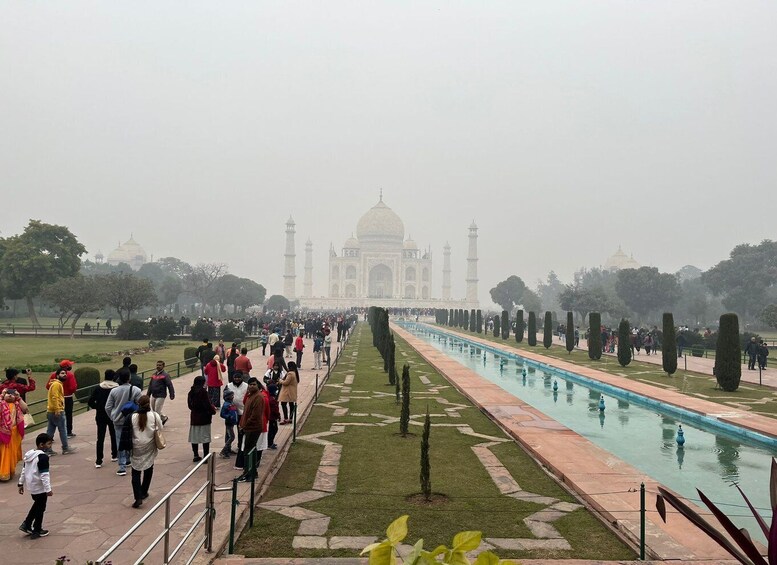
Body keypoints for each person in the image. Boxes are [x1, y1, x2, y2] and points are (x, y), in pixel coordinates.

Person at [105, 370, 141, 476]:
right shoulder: (136, 390)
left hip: (118, 419)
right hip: (131, 419)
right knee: (131, 439)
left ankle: (122, 466)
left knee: (119, 442)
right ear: (129, 378)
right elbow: (140, 404)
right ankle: (129, 459)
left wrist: (112, 416)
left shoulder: (114, 391)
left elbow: (108, 407)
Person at [18, 433, 54, 539]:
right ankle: (37, 530)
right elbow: (44, 475)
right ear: (41, 445)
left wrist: (20, 483)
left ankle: (27, 524)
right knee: (40, 509)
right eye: (48, 444)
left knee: (36, 506)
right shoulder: (43, 457)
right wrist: (48, 489)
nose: (50, 446)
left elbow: (24, 471)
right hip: (40, 488)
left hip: (32, 487)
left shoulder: (29, 455)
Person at [129, 395, 161, 508]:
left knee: (135, 471)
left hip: (136, 445)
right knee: (149, 467)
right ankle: (144, 491)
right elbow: (160, 428)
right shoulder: (154, 416)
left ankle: (138, 496)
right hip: (149, 445)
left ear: (138, 404)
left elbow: (129, 432)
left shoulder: (133, 417)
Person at [87, 370, 119, 468]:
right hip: (112, 414)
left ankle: (99, 460)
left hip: (100, 415)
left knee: (100, 438)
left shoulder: (98, 387)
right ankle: (114, 454)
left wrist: (98, 407)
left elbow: (90, 401)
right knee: (113, 435)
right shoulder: (116, 388)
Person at [238, 377, 266, 481]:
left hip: (253, 428)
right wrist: (241, 424)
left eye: (254, 384)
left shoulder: (258, 397)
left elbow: (255, 416)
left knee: (248, 451)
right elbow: (246, 413)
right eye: (250, 384)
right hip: (248, 427)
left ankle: (249, 473)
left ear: (258, 385)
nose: (251, 386)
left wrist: (244, 425)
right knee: (249, 450)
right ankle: (251, 472)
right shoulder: (250, 396)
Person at [46, 368, 76, 456]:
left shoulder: (55, 384)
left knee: (50, 431)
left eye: (65, 373)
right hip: (57, 411)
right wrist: (58, 409)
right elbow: (55, 397)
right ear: (58, 375)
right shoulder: (57, 385)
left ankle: (47, 449)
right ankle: (65, 448)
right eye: (62, 373)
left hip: (51, 411)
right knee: (63, 429)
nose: (65, 375)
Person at [46, 360, 78, 438]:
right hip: (67, 398)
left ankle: (50, 436)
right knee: (68, 415)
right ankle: (68, 432)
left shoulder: (54, 375)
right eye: (70, 365)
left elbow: (48, 386)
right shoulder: (69, 375)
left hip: (55, 399)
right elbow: (72, 387)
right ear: (67, 367)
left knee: (52, 420)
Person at [0, 389, 27, 481]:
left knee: (11, 453)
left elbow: (25, 409)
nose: (10, 396)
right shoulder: (2, 403)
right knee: (5, 453)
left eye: (12, 394)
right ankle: (4, 474)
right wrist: (1, 396)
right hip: (3, 432)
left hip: (14, 433)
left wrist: (19, 397)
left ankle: (10, 471)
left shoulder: (16, 404)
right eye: (8, 394)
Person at [188, 375, 216, 462]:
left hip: (195, 417)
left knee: (194, 437)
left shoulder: (191, 392)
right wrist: (212, 410)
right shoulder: (203, 392)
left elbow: (189, 405)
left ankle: (196, 455)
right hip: (204, 417)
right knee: (205, 437)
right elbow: (207, 404)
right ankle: (206, 456)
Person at [225, 372, 248, 469]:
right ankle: (227, 449)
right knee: (229, 432)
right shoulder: (229, 386)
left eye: (239, 377)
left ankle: (240, 446)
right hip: (231, 412)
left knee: (241, 431)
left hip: (242, 412)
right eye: (235, 377)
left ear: (242, 378)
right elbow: (225, 397)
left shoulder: (246, 386)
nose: (237, 379)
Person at [147, 361, 175, 425]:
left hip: (161, 395)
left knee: (157, 411)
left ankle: (157, 425)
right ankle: (164, 418)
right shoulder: (154, 375)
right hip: (154, 395)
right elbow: (150, 385)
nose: (158, 366)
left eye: (160, 365)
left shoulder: (165, 375)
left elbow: (169, 385)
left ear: (163, 366)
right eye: (157, 365)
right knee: (154, 410)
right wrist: (148, 394)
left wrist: (172, 394)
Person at [219, 389, 239, 458]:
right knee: (231, 437)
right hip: (229, 423)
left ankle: (228, 450)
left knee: (228, 436)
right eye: (231, 395)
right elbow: (222, 414)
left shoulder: (231, 403)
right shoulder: (226, 405)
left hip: (232, 422)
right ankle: (224, 451)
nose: (233, 397)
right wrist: (229, 417)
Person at [266, 382, 280, 449]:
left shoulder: (271, 398)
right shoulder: (272, 399)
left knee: (273, 429)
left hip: (272, 417)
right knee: (273, 430)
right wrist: (278, 415)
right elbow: (275, 410)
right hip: (272, 417)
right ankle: (270, 443)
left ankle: (270, 442)